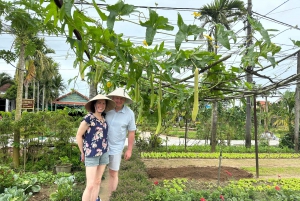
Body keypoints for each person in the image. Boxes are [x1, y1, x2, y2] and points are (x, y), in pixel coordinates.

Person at [76, 94, 115, 201]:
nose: (101, 105)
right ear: (94, 104)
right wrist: (82, 152)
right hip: (91, 154)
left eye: (103, 103)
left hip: (104, 153)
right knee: (90, 185)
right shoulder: (89, 118)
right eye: (99, 102)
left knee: (98, 181)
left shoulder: (104, 119)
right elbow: (79, 135)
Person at [105, 87, 137, 196]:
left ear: (124, 100)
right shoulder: (106, 109)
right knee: (97, 173)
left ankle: (111, 195)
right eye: (116, 98)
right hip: (101, 147)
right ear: (112, 98)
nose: (118, 100)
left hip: (116, 148)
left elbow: (131, 132)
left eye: (120, 98)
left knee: (113, 173)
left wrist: (129, 150)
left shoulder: (129, 113)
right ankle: (96, 195)